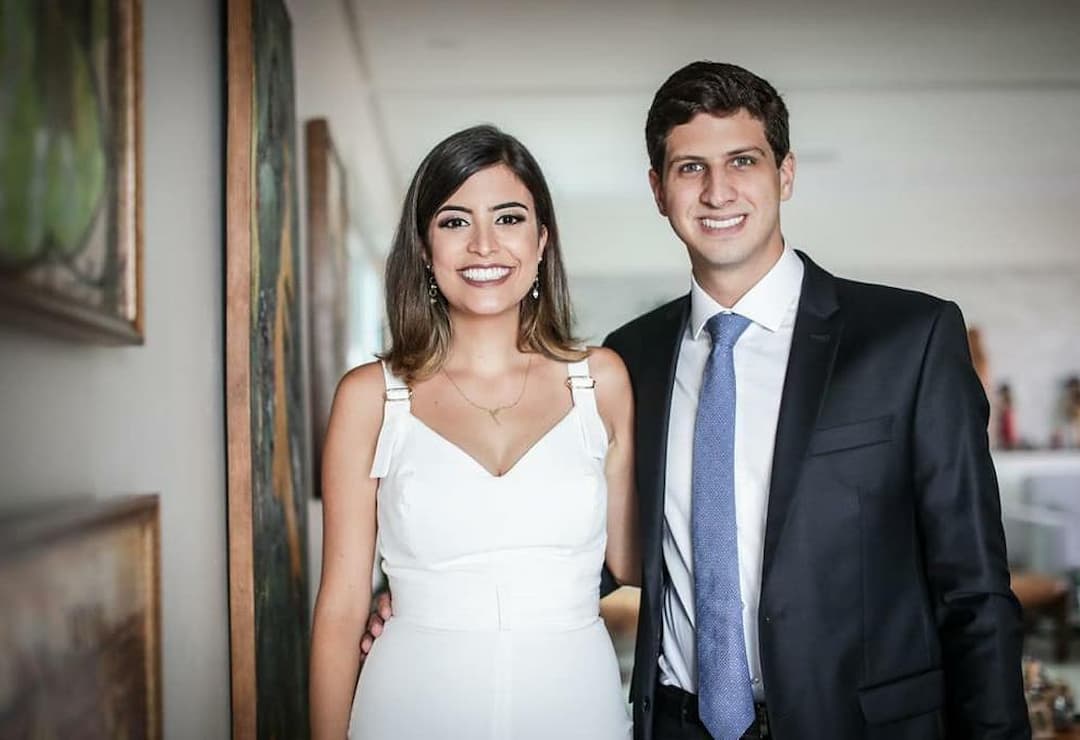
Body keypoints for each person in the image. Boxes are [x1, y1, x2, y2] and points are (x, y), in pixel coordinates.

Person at [600, 61, 1029, 739]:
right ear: (658, 189)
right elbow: (588, 544)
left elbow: (973, 586)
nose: (717, 191)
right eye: (690, 168)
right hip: (677, 724)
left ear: (786, 173)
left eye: (743, 161)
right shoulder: (630, 357)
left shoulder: (909, 338)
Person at [309, 124, 638, 740]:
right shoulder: (371, 397)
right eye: (455, 221)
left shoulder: (601, 382)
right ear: (424, 248)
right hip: (408, 706)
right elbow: (340, 606)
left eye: (508, 219)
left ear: (542, 241)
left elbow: (633, 558)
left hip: (577, 705)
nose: (484, 245)